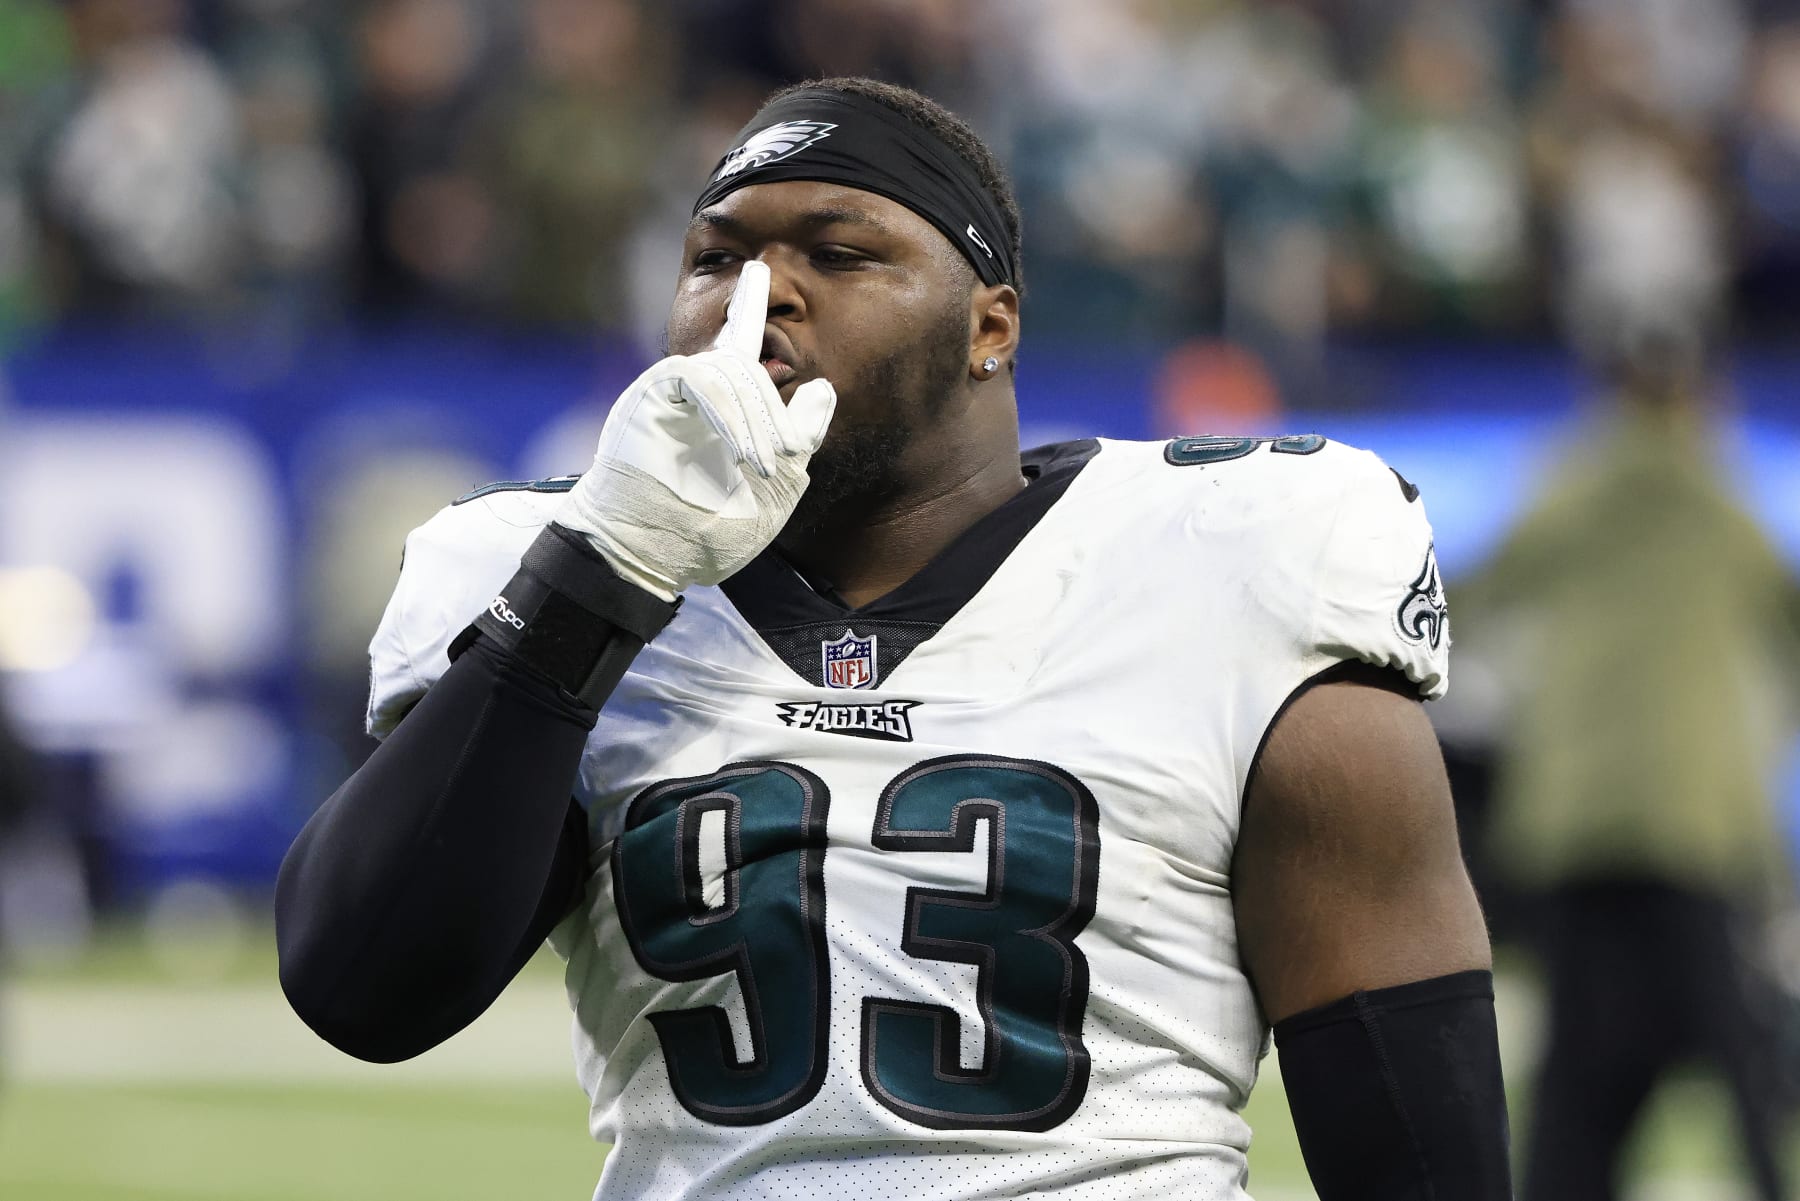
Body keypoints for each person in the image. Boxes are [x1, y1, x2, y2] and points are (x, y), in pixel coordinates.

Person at [276, 77, 1511, 1200]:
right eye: (717, 258)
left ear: (991, 327)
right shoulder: (565, 587)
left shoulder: (1230, 560)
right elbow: (363, 990)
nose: (765, 296)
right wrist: (598, 577)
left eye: (838, 251)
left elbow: (1414, 1139)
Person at [1463, 331, 1800, 1201]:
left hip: (1577, 821)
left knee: (1580, 1070)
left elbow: (1476, 591)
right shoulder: (1722, 496)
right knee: (1742, 1061)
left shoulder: (1570, 486)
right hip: (1696, 822)